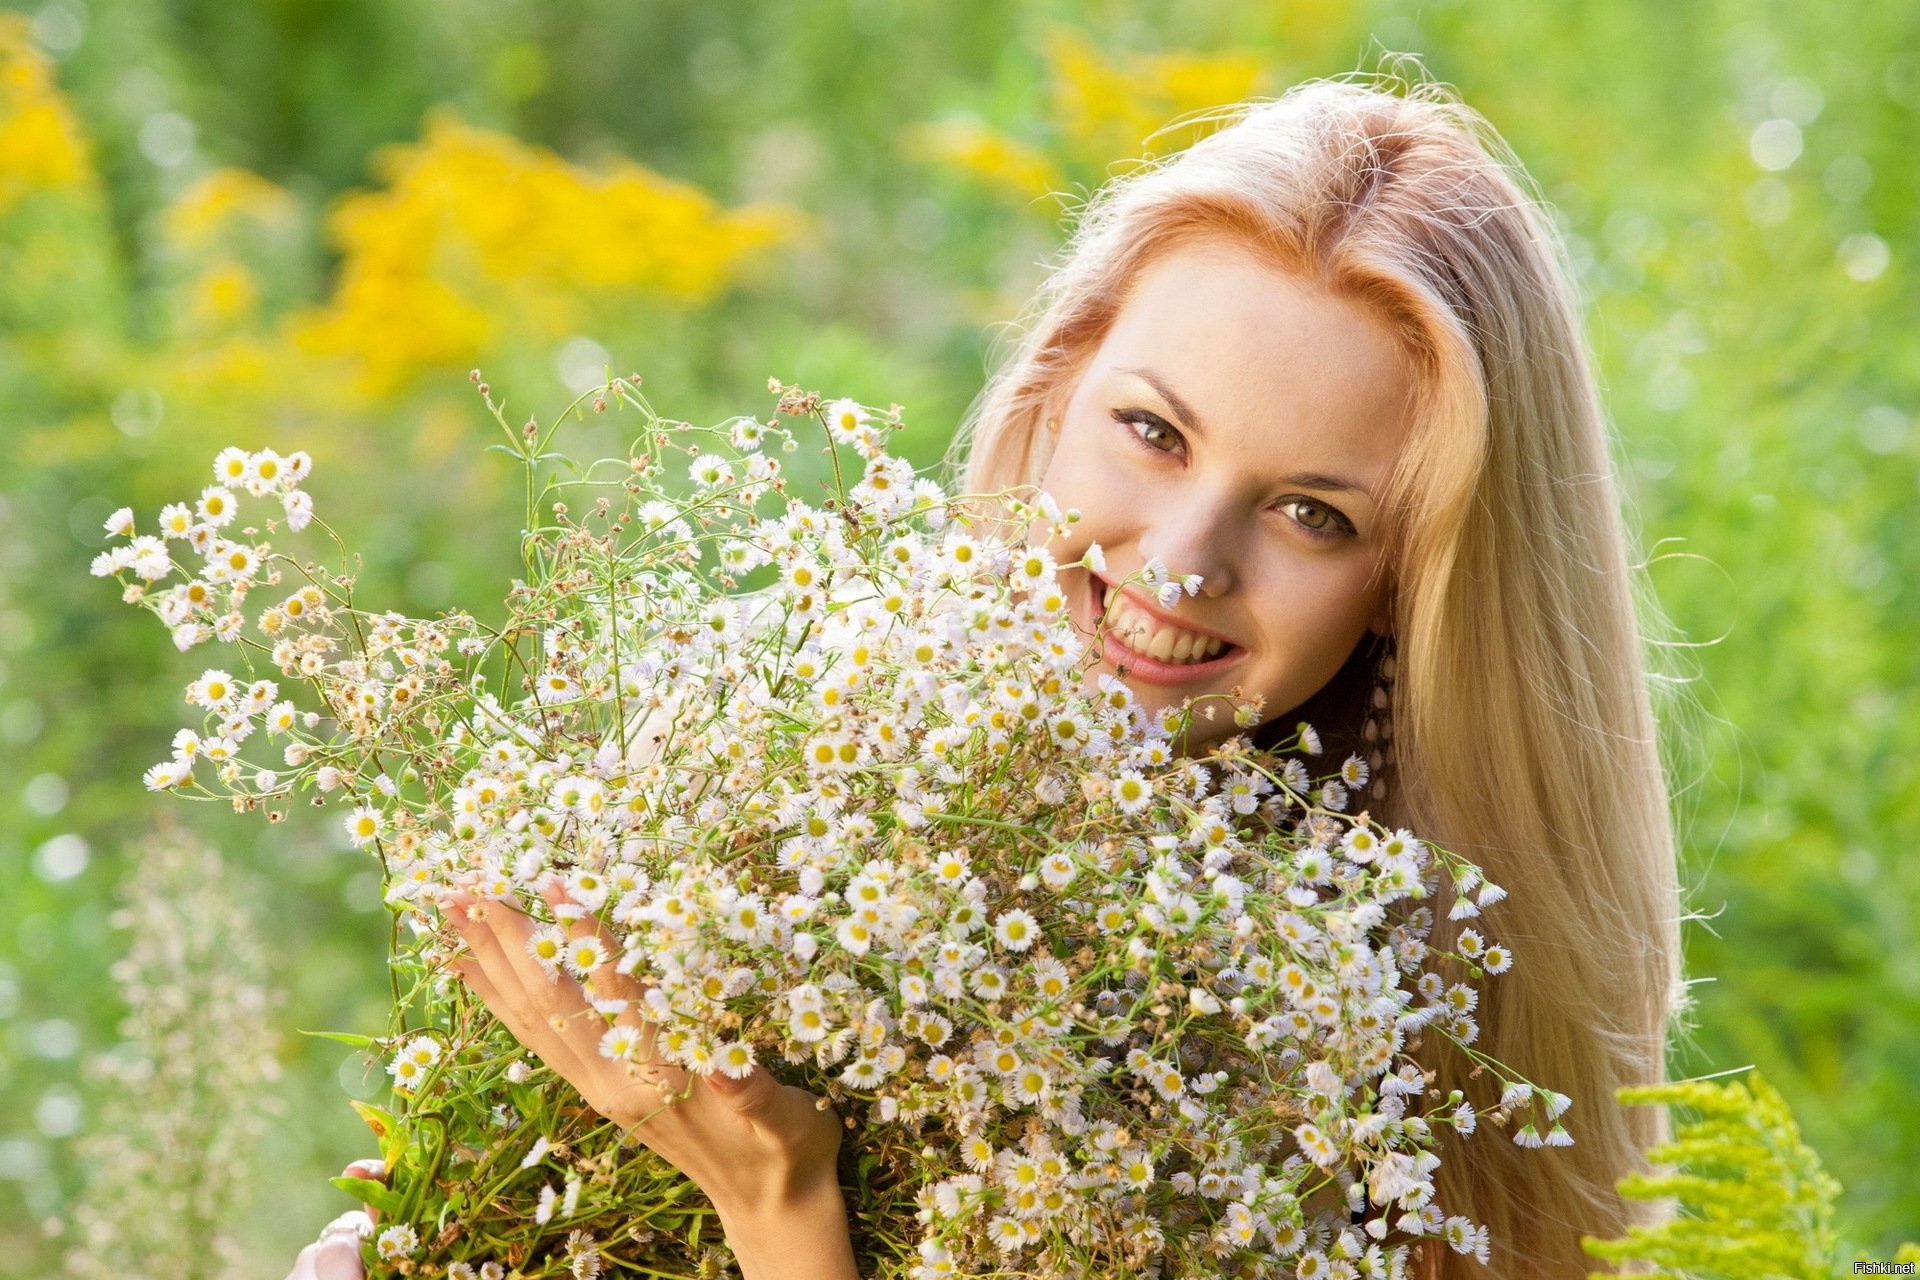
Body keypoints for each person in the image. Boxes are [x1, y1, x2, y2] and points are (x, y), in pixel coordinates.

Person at [288, 69, 1688, 1280]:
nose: (1185, 562)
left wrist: (780, 1210)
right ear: (1055, 387)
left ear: (1412, 588)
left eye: (1312, 514)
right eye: (1152, 432)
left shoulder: (1375, 1073)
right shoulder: (757, 779)